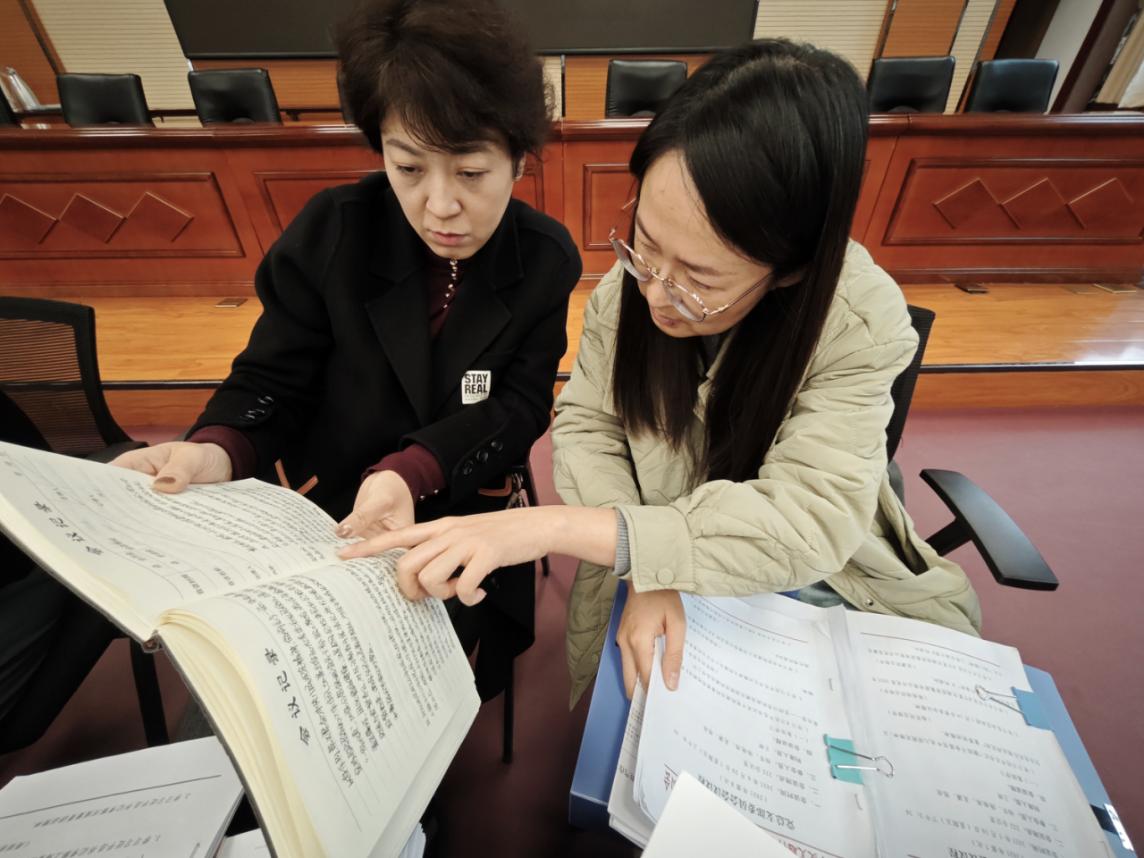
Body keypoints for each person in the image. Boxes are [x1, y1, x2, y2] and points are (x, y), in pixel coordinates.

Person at [340, 39, 982, 704]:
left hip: (813, 587)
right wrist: (648, 566)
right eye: (644, 244)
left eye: (700, 279)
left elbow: (807, 518)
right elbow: (588, 426)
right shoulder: (627, 291)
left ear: (791, 268)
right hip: (651, 564)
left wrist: (574, 531)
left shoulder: (859, 321)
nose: (654, 294)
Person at [112, 0, 581, 700]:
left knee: (434, 679)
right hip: (329, 509)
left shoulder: (545, 258)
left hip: (462, 501)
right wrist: (219, 448)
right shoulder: (333, 231)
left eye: (471, 173)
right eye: (409, 168)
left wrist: (411, 471)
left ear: (518, 158)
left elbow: (517, 407)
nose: (440, 206)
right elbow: (273, 377)